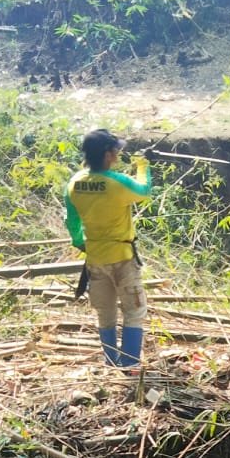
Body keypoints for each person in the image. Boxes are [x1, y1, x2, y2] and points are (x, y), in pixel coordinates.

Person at [65, 128, 152, 372]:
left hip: (95, 260)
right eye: (115, 151)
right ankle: (131, 364)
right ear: (107, 155)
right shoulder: (118, 183)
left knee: (105, 314)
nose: (117, 155)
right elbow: (144, 191)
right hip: (123, 259)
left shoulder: (74, 183)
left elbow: (71, 222)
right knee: (134, 311)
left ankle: (111, 363)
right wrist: (143, 167)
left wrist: (81, 243)